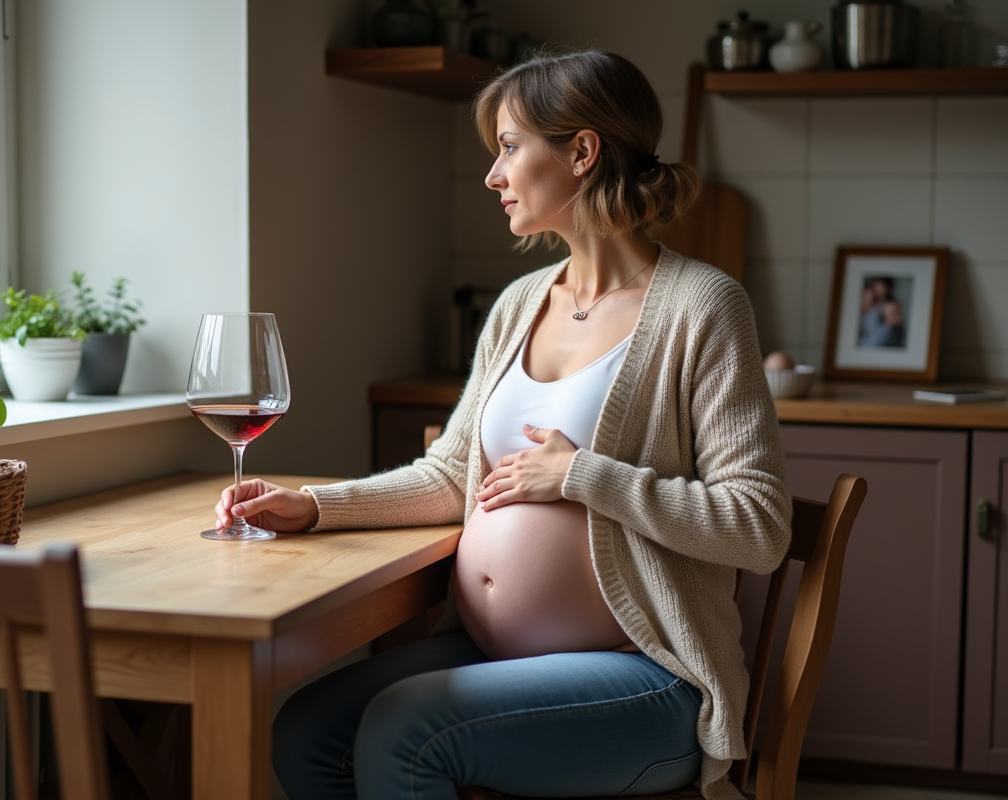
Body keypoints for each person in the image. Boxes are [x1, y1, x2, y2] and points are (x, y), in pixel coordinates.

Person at [215, 49, 791, 800]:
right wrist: (317, 505)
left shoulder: (703, 306)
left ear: (582, 152)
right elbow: (451, 475)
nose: (493, 175)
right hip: (497, 658)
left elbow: (759, 526)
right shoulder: (522, 302)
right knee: (305, 733)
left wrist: (583, 476)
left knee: (405, 730)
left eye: (510, 147)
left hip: (647, 675)